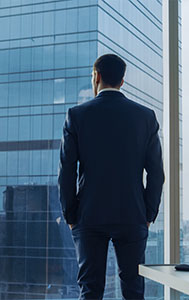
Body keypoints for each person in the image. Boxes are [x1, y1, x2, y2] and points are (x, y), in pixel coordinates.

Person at [58, 53, 165, 300]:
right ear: (122, 81)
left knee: (90, 289)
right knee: (133, 289)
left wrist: (71, 214)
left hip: (89, 214)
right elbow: (157, 173)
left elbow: (66, 171)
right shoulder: (145, 117)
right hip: (132, 214)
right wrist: (148, 213)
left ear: (96, 76)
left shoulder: (76, 115)